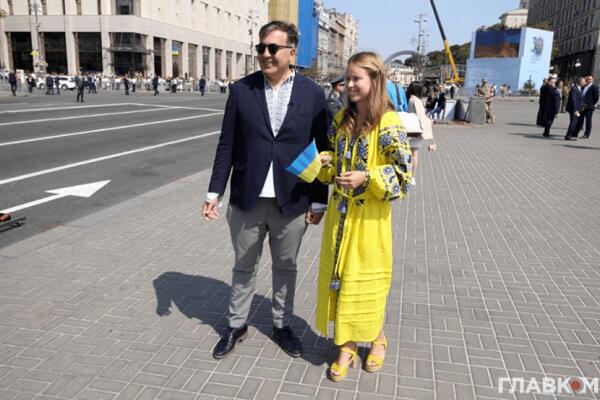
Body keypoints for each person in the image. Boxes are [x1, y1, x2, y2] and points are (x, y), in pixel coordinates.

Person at [203, 20, 329, 360]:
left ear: (292, 52)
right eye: (261, 48)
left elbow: (323, 149)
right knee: (243, 265)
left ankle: (282, 325)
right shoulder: (242, 90)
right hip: (248, 196)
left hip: (293, 198)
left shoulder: (313, 94)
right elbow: (227, 144)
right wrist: (214, 192)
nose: (266, 54)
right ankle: (236, 324)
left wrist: (319, 199)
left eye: (273, 48)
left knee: (286, 266)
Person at [315, 51, 412, 382]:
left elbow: (403, 177)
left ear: (375, 80)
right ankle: (348, 344)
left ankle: (374, 339)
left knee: (365, 285)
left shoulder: (389, 122)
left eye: (357, 79)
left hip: (370, 222)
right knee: (341, 281)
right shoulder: (342, 118)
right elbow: (334, 156)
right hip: (339, 219)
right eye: (348, 78)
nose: (350, 85)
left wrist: (367, 178)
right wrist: (325, 162)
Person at [406, 81, 437, 185]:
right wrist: (429, 123)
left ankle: (410, 176)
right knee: (415, 154)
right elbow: (421, 118)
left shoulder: (411, 99)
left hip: (411, 130)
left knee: (411, 153)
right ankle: (412, 177)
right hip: (416, 130)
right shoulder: (416, 100)